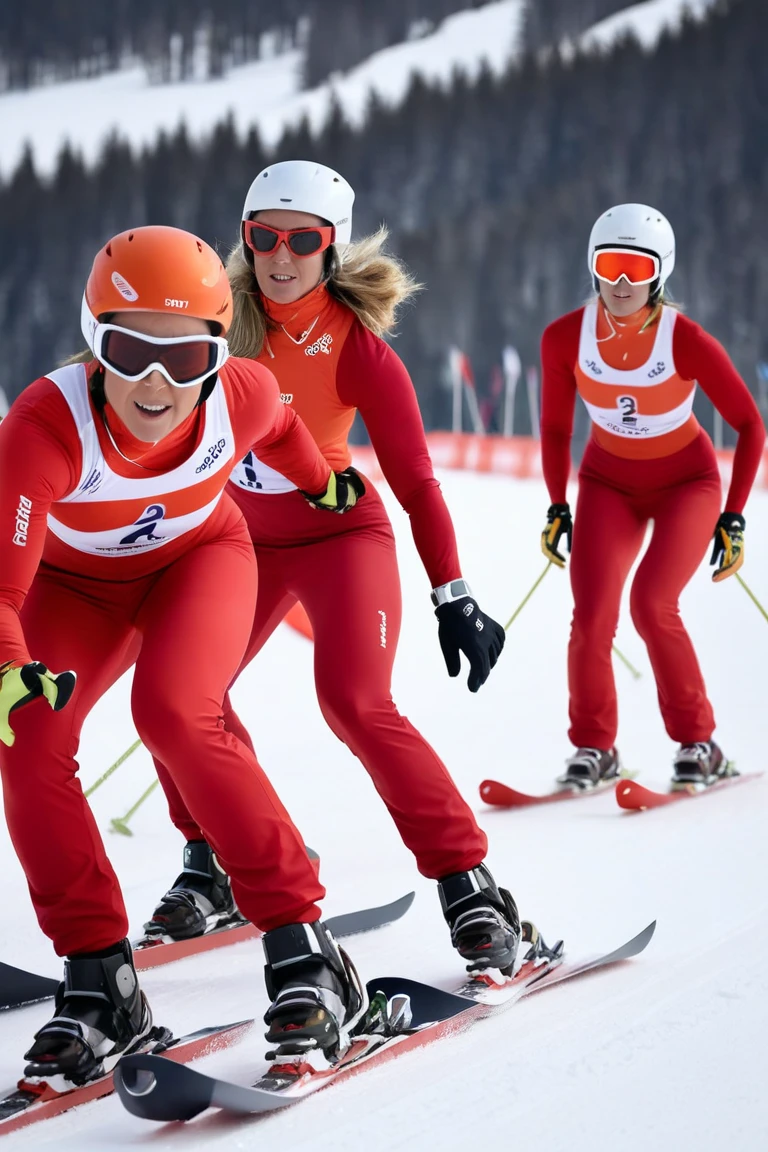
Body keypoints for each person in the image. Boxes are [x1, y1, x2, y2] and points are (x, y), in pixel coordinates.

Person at [0, 224, 376, 1079]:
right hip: (77, 591)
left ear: (219, 350)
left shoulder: (239, 393)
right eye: (132, 350)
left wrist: (324, 484)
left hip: (198, 562)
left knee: (174, 711)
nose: (159, 383)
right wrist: (7, 670)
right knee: (25, 737)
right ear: (94, 343)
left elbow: (282, 432)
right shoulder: (43, 429)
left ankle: (306, 951)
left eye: (188, 354)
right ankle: (101, 982)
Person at [147, 161, 518, 981]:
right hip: (236, 539)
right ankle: (216, 861)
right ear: (244, 240)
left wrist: (452, 593)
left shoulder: (358, 351)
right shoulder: (216, 320)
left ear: (333, 249)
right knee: (173, 691)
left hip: (339, 533)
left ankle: (471, 884)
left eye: (303, 240)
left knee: (353, 702)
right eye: (264, 237)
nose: (281, 256)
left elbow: (418, 479)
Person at [539, 203, 766, 790]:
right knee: (590, 617)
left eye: (634, 270)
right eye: (609, 265)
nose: (619, 283)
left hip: (686, 486)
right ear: (592, 266)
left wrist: (734, 517)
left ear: (659, 273)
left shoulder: (685, 340)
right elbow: (557, 429)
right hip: (607, 485)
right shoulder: (565, 338)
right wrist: (557, 503)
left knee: (651, 603)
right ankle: (594, 748)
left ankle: (699, 743)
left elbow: (750, 425)